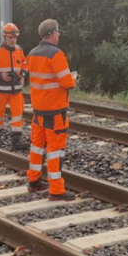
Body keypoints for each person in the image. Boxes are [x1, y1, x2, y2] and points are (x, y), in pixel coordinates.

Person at [26, 19, 77, 201]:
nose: (59, 35)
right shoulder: (56, 54)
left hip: (38, 110)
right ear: (53, 34)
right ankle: (56, 190)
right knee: (55, 150)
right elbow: (66, 82)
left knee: (37, 146)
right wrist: (73, 79)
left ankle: (33, 181)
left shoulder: (32, 53)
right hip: (55, 111)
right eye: (58, 32)